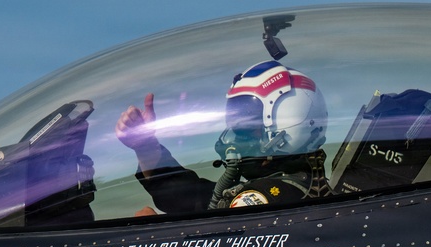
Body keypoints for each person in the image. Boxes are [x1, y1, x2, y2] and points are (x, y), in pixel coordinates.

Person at [116, 60, 331, 215]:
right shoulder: (300, 188)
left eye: (249, 126)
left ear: (288, 126)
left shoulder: (271, 198)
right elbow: (191, 197)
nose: (237, 135)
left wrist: (151, 232)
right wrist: (146, 147)